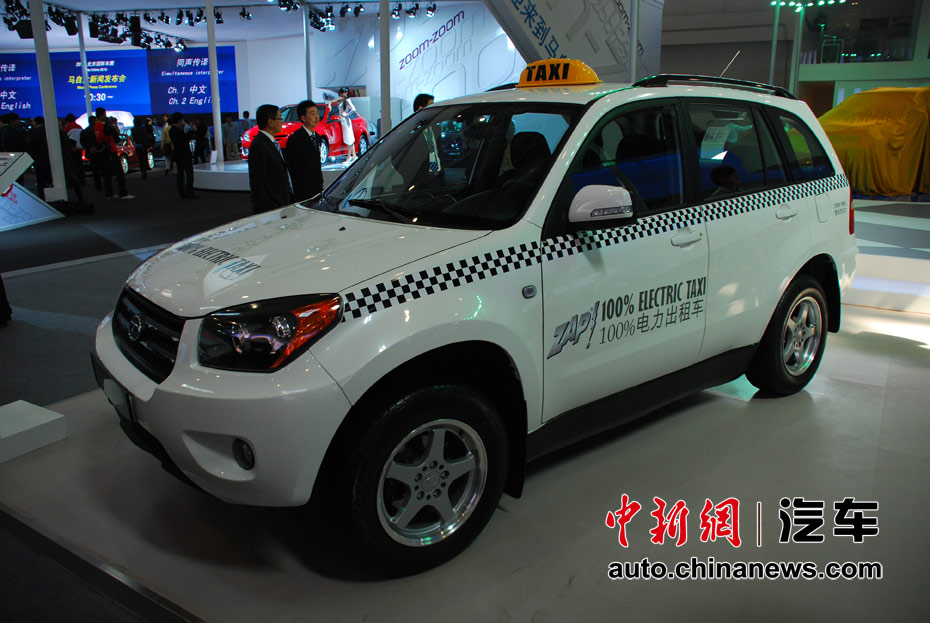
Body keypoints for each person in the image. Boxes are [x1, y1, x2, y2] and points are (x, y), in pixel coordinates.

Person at [248, 104, 291, 214]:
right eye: (280, 118)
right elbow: (257, 182)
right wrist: (266, 210)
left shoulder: (270, 142)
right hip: (271, 208)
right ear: (270, 122)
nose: (282, 122)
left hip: (279, 204)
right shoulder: (260, 145)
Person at [284, 100, 324, 202]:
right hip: (302, 191)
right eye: (312, 114)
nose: (316, 117)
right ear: (303, 118)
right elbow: (292, 166)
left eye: (317, 113)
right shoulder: (295, 139)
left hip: (317, 189)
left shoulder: (317, 137)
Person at [94, 108, 133, 199]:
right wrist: (114, 124)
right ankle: (123, 193)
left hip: (103, 152)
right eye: (104, 114)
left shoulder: (96, 126)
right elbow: (117, 137)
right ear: (101, 115)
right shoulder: (106, 127)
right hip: (111, 151)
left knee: (107, 174)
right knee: (119, 173)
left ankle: (109, 193)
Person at [168, 113, 197, 199]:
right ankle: (190, 192)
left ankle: (182, 193)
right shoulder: (178, 131)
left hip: (178, 154)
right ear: (179, 120)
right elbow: (185, 139)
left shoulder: (171, 131)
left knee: (180, 175)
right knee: (189, 174)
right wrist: (192, 131)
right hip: (185, 155)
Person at [25, 116, 51, 197]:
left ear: (35, 122)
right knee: (50, 178)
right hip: (50, 157)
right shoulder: (50, 130)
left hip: (39, 158)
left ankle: (42, 196)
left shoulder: (35, 132)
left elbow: (30, 144)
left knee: (41, 179)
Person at [334, 87, 357, 162]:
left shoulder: (347, 100)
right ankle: (353, 155)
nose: (342, 94)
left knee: (349, 139)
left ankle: (349, 156)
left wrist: (346, 114)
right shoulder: (342, 100)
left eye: (344, 92)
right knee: (349, 139)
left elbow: (354, 109)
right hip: (343, 121)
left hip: (346, 121)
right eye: (342, 92)